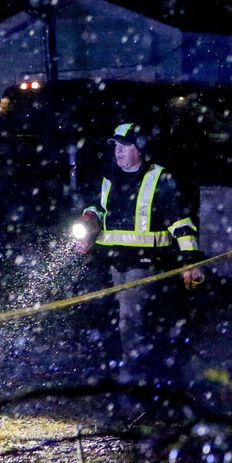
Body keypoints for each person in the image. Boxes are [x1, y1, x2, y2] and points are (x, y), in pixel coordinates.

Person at [72, 122, 206, 386]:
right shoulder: (109, 176)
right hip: (110, 262)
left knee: (130, 320)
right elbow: (99, 208)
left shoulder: (160, 178)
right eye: (116, 147)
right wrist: (89, 222)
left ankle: (133, 377)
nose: (118, 152)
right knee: (101, 315)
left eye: (125, 146)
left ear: (140, 149)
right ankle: (108, 371)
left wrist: (191, 261)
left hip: (145, 264)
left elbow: (180, 223)